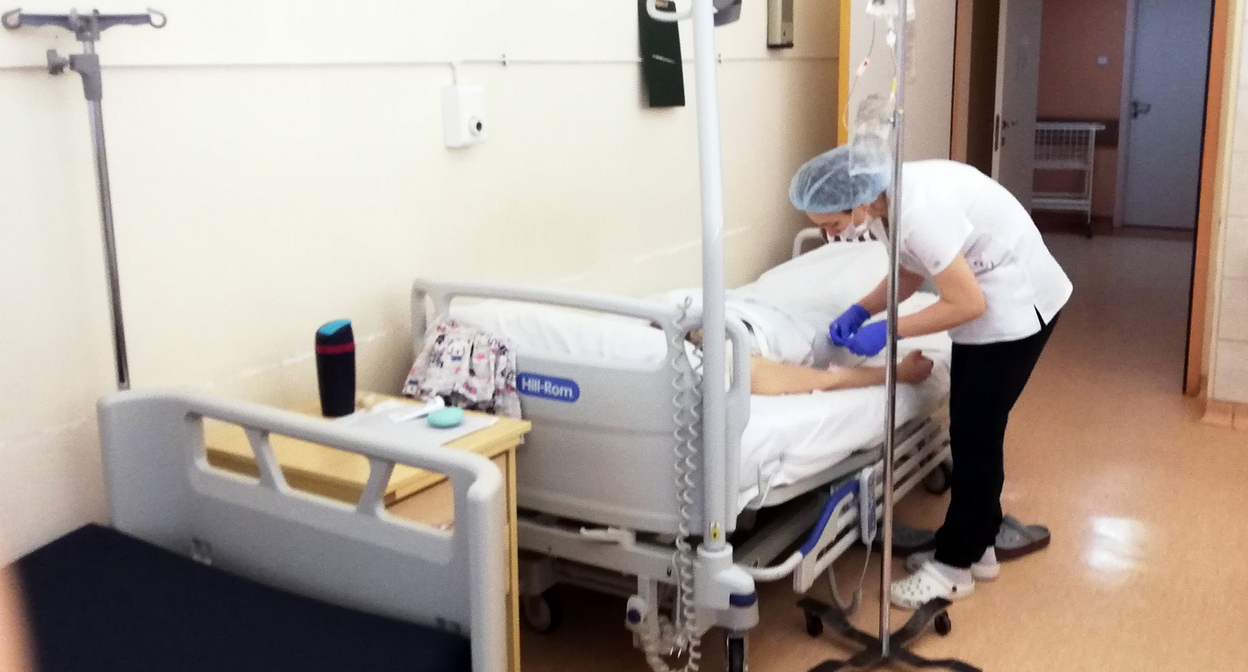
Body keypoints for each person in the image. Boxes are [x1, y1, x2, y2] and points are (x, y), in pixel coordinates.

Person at [789, 145, 1071, 609]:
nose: (831, 235)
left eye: (833, 224)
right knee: (972, 430)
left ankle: (953, 568)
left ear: (859, 200)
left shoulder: (919, 211)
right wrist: (862, 309)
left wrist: (889, 331)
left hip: (1018, 303)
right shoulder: (883, 204)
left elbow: (968, 303)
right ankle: (980, 547)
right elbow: (909, 270)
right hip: (988, 298)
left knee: (977, 437)